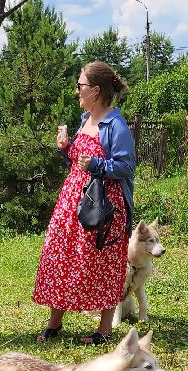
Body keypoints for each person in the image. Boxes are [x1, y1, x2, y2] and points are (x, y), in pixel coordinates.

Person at [32, 61, 135, 347]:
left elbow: (126, 166)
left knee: (101, 262)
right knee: (62, 255)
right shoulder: (83, 120)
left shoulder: (115, 125)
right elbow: (78, 162)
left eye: (81, 86)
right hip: (71, 201)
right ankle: (55, 322)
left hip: (102, 205)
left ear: (96, 90)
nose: (77, 90)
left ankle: (103, 330)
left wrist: (98, 164)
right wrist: (66, 150)